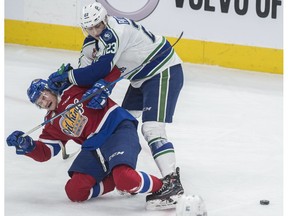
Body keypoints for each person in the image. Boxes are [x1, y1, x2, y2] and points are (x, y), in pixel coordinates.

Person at [46, 1, 184, 204]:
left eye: (98, 25)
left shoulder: (115, 32)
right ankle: (121, 169)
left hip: (162, 71)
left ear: (105, 19)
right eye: (90, 27)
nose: (95, 31)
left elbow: (100, 70)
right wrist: (66, 87)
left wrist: (69, 76)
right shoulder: (92, 43)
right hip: (139, 78)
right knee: (121, 124)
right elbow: (86, 79)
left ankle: (172, 182)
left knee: (152, 129)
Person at [6, 76, 181, 210]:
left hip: (116, 129)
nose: (44, 102)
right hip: (94, 146)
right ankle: (114, 180)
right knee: (75, 191)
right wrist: (28, 147)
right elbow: (45, 152)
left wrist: (102, 87)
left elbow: (105, 73)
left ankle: (166, 186)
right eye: (40, 102)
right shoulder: (52, 122)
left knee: (126, 178)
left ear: (50, 90)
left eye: (44, 96)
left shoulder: (74, 87)